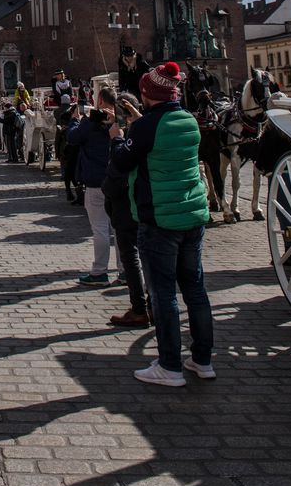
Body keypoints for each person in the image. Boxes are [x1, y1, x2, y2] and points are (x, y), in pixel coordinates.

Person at [109, 60, 214, 387]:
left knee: (164, 293)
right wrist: (141, 125)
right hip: (192, 218)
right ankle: (202, 360)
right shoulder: (188, 121)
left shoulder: (145, 128)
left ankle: (169, 366)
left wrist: (117, 137)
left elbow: (123, 161)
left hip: (159, 220)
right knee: (195, 290)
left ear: (148, 94)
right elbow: (161, 143)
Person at [102, 95, 151, 328]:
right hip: (152, 205)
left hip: (127, 206)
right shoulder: (151, 131)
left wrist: (116, 141)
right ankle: (155, 306)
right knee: (151, 256)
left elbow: (118, 170)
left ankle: (140, 308)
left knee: (131, 256)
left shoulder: (125, 138)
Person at [68, 87, 122, 286]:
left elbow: (72, 138)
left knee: (100, 228)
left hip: (96, 181)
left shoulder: (90, 123)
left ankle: (100, 272)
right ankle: (126, 271)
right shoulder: (120, 120)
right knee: (119, 230)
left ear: (99, 100)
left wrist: (76, 118)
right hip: (118, 181)